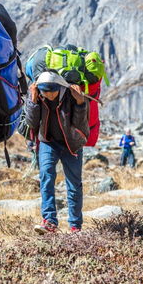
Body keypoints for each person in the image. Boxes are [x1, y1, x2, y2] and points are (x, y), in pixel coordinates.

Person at [24, 70, 89, 234]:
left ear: (59, 87)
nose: (48, 94)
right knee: (46, 177)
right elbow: (31, 123)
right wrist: (32, 101)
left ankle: (75, 226)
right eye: (44, 91)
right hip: (48, 142)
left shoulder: (71, 95)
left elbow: (80, 123)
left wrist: (80, 102)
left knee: (74, 184)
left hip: (71, 144)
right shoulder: (36, 95)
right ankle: (49, 221)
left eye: (51, 91)